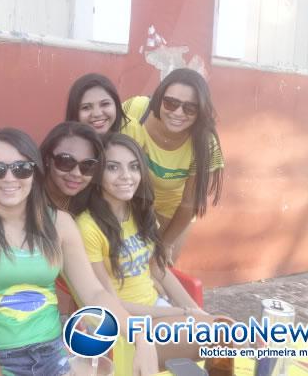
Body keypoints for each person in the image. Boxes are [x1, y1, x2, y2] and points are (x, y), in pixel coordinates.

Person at [0, 128, 158, 376]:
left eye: (21, 169)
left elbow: (93, 293)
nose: (9, 178)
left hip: (53, 356)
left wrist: (141, 338)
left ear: (35, 173)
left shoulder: (60, 223)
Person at [76, 132, 213, 369]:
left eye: (133, 167)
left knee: (221, 329)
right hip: (123, 326)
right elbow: (108, 301)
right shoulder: (88, 226)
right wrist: (181, 313)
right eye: (113, 168)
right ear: (98, 174)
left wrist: (196, 311)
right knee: (224, 334)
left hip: (157, 312)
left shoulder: (140, 213)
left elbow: (158, 268)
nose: (126, 176)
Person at [120, 69, 224, 263]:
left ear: (201, 110)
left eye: (190, 108)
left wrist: (165, 244)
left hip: (172, 208)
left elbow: (189, 203)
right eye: (171, 103)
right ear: (159, 98)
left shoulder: (204, 142)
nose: (178, 113)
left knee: (157, 266)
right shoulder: (136, 109)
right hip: (129, 197)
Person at [39, 121, 104, 215]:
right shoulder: (25, 199)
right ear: (47, 159)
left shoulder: (92, 203)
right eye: (66, 162)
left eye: (88, 165)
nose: (77, 173)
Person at [65, 73, 129, 135]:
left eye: (105, 104)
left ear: (116, 105)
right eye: (86, 107)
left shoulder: (132, 132)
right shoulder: (65, 145)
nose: (97, 114)